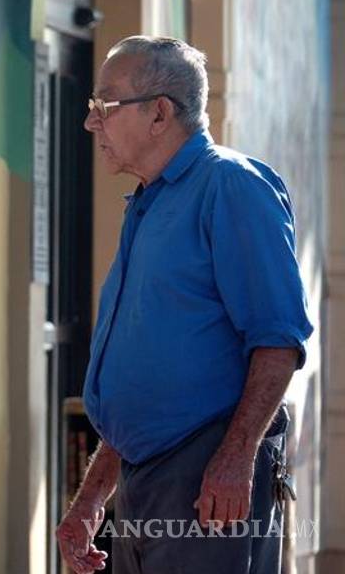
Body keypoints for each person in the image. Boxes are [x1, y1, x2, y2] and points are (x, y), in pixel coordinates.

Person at [54, 36, 314, 574]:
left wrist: (236, 459)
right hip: (147, 481)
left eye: (104, 105)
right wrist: (91, 499)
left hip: (205, 483)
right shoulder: (150, 200)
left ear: (159, 113)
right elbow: (148, 385)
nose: (90, 123)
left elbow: (278, 340)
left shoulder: (232, 187)